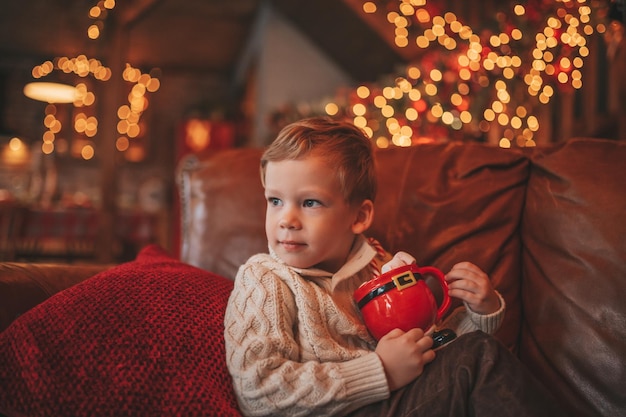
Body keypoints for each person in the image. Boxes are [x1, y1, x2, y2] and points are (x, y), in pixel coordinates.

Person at [223, 117, 565, 417]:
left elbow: (428, 349)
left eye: (310, 202)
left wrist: (479, 315)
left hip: (404, 401)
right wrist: (380, 370)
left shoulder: (380, 269)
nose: (287, 220)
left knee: (475, 355)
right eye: (275, 201)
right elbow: (259, 391)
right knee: (477, 357)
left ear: (359, 216)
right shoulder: (265, 278)